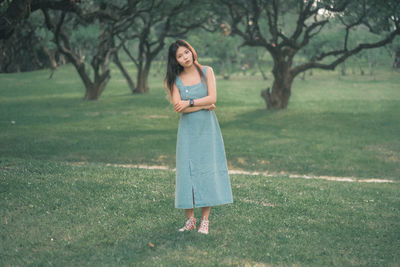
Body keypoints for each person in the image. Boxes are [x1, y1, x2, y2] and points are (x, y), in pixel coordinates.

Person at [164, 40, 233, 235]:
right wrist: (203, 105)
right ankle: (189, 221)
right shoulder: (174, 79)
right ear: (175, 60)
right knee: (187, 171)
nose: (185, 57)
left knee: (206, 169)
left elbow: (213, 99)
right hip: (187, 130)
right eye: (180, 56)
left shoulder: (207, 71)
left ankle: (205, 221)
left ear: (192, 51)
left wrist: (192, 103)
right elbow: (179, 107)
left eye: (186, 52)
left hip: (207, 128)